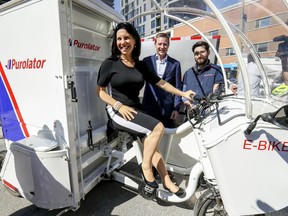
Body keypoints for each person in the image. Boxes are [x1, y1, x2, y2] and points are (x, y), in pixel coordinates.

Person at [96, 22, 195, 196]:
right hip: (117, 111)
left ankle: (165, 180)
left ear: (135, 41)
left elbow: (162, 83)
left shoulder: (140, 65)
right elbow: (101, 92)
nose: (122, 42)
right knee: (157, 128)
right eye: (119, 39)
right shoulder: (110, 63)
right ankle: (146, 167)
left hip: (136, 110)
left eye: (126, 38)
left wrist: (183, 93)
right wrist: (118, 105)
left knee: (152, 145)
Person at [142, 33, 182, 128]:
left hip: (167, 109)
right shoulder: (146, 61)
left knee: (166, 133)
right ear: (155, 44)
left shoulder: (175, 64)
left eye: (165, 44)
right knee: (149, 134)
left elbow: (177, 88)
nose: (162, 47)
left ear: (168, 45)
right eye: (159, 44)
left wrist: (176, 108)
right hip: (149, 106)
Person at [182, 41, 224, 107]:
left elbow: (216, 92)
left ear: (208, 52)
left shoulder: (216, 70)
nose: (199, 55)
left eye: (202, 52)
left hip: (210, 111)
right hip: (192, 111)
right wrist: (188, 103)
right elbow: (184, 93)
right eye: (196, 53)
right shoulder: (188, 72)